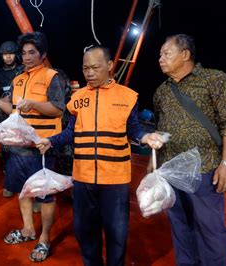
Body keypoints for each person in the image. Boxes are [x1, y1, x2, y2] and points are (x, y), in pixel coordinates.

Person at [36, 46, 164, 265]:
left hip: (114, 179)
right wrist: (50, 141)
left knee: (117, 233)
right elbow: (71, 132)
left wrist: (146, 137)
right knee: (85, 231)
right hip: (83, 177)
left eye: (95, 67)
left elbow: (134, 130)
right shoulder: (77, 98)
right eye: (85, 68)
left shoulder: (127, 96)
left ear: (110, 66)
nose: (90, 73)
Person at [153, 34, 226, 265]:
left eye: (166, 53)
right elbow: (160, 126)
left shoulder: (214, 79)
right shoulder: (162, 91)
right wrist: (155, 161)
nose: (160, 58)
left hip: (206, 170)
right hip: (171, 171)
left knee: (210, 230)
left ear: (185, 55)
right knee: (181, 228)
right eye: (160, 54)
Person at [0, 31, 64, 262]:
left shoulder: (52, 76)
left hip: (42, 147)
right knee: (23, 190)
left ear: (43, 54)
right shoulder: (18, 79)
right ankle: (28, 230)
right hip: (19, 146)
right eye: (24, 53)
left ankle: (44, 239)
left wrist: (35, 104)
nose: (26, 57)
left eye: (32, 53)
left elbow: (58, 109)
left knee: (45, 196)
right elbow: (15, 111)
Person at [0, 40, 24, 197]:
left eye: (11, 54)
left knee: (24, 152)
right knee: (6, 152)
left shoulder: (23, 71)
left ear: (16, 55)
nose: (8, 57)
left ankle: (25, 184)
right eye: (5, 54)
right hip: (4, 119)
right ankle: (10, 183)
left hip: (22, 118)